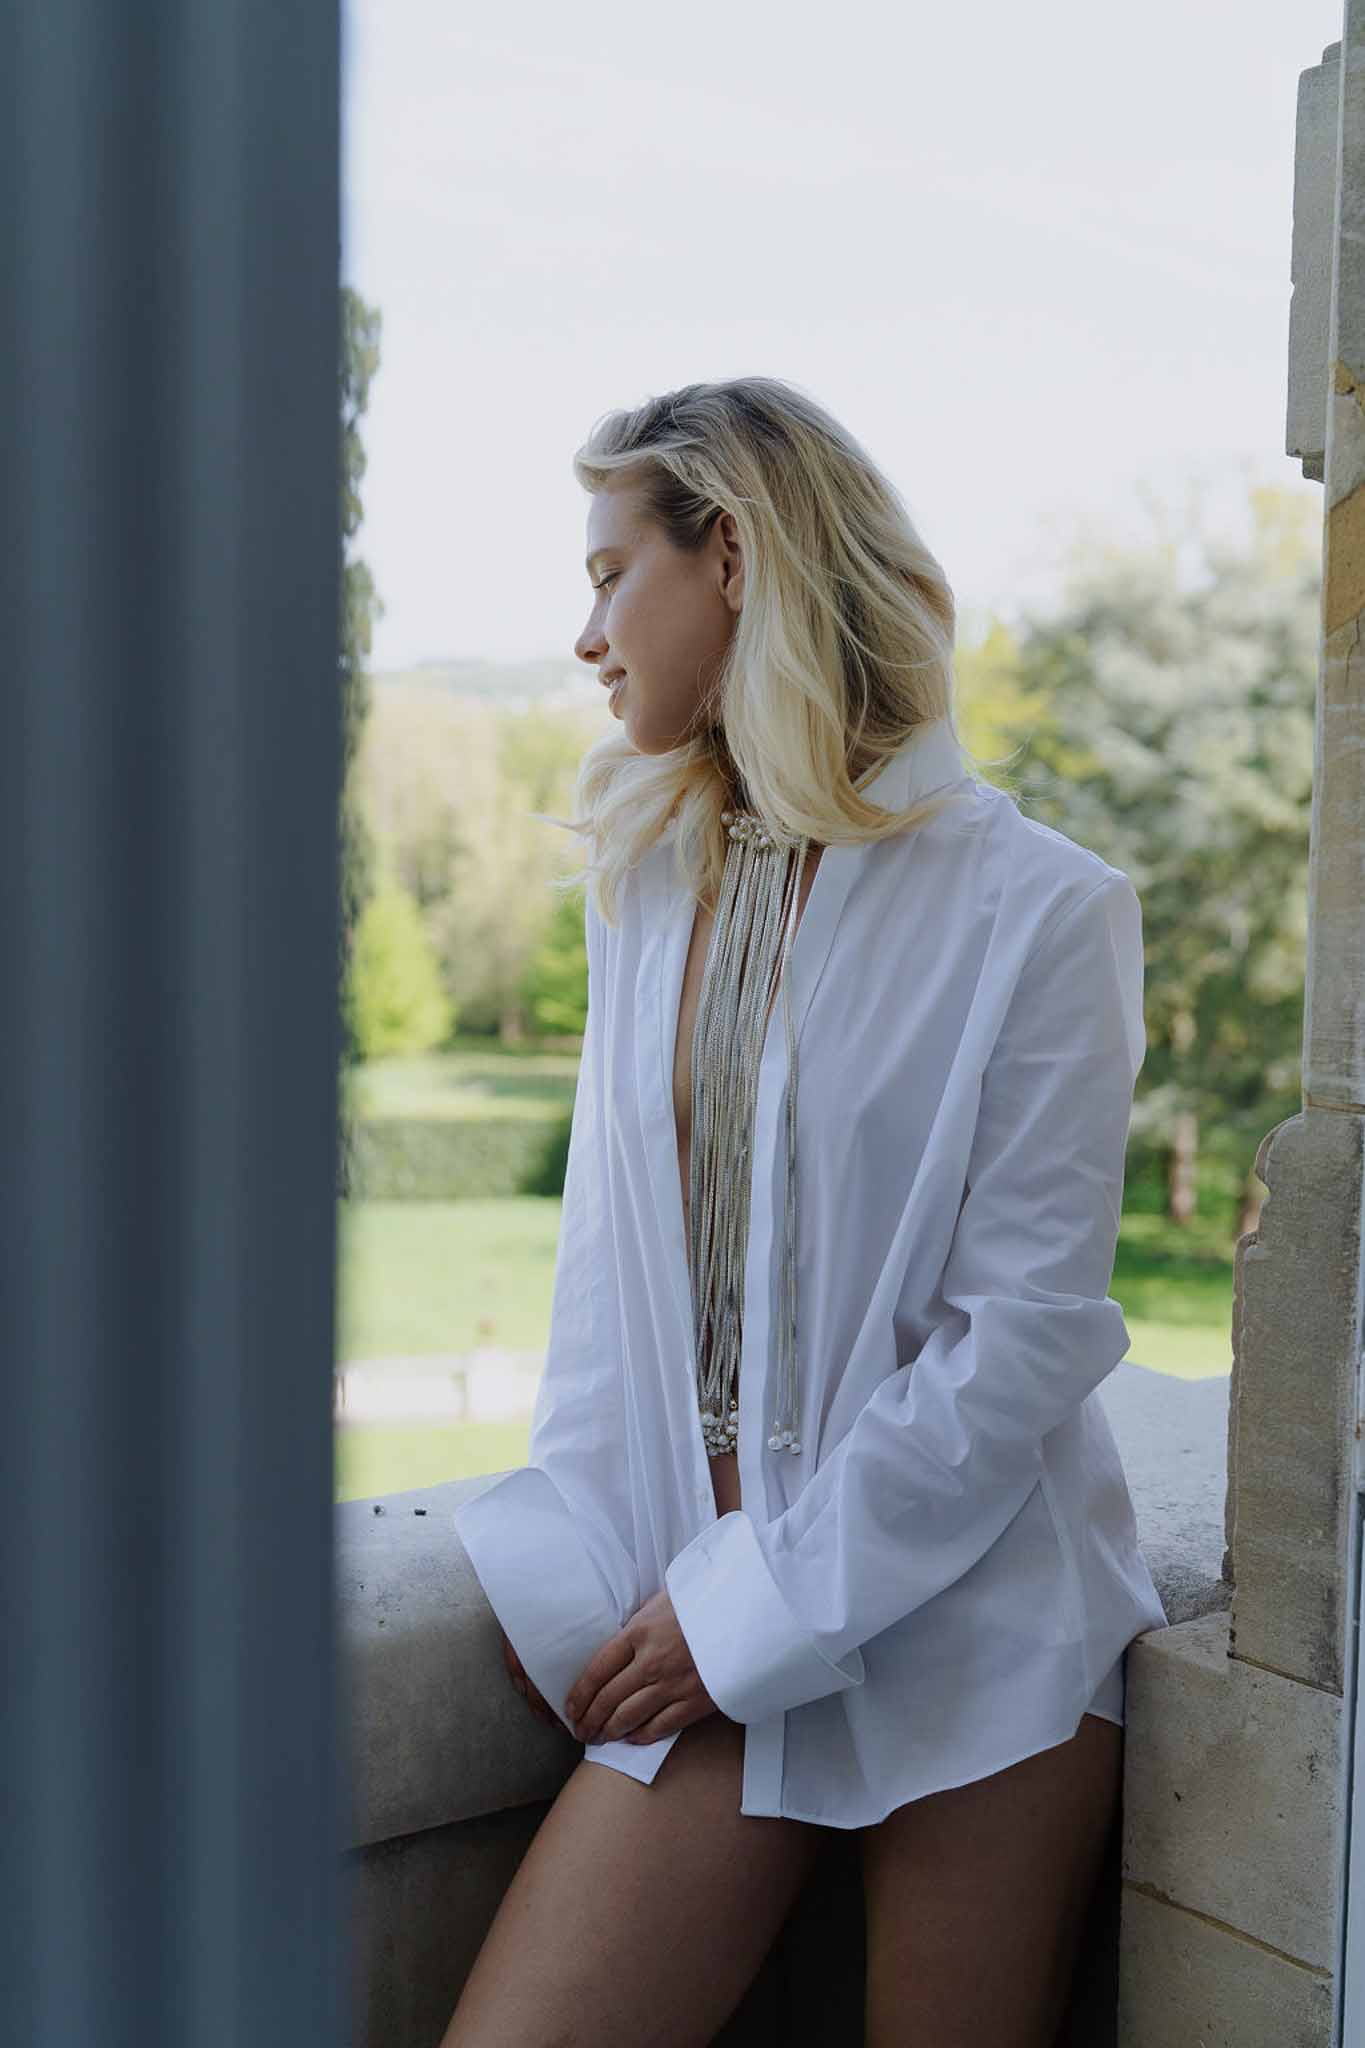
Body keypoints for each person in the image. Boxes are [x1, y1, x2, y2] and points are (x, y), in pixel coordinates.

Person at [443, 376, 1167, 2048]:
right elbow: (605, 1277)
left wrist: (763, 1611)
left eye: (609, 574)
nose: (585, 637)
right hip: (698, 1618)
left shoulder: (1041, 909)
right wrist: (600, 1587)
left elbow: (1023, 1337)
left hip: (979, 1635)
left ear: (734, 556)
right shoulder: (643, 881)